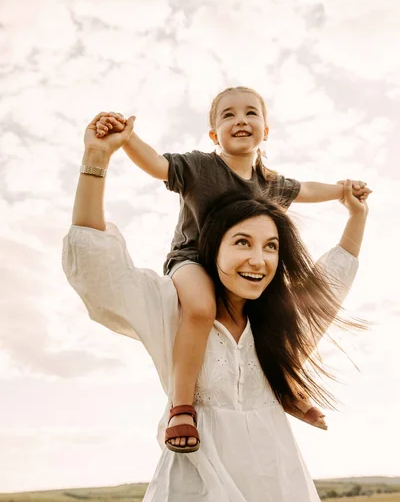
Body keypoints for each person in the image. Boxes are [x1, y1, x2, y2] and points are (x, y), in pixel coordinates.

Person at [62, 112, 368, 502]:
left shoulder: (282, 326)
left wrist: (355, 214)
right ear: (214, 247)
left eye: (271, 246)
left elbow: (332, 280)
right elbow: (97, 263)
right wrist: (96, 160)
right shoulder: (173, 307)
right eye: (242, 242)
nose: (258, 259)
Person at [93, 86, 370, 452]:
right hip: (193, 259)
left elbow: (306, 189)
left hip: (244, 271)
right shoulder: (200, 167)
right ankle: (181, 407)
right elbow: (158, 164)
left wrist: (342, 191)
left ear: (266, 130)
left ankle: (285, 388)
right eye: (228, 115)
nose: (240, 119)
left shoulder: (268, 182)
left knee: (282, 313)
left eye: (251, 113)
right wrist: (127, 140)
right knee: (202, 308)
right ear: (214, 135)